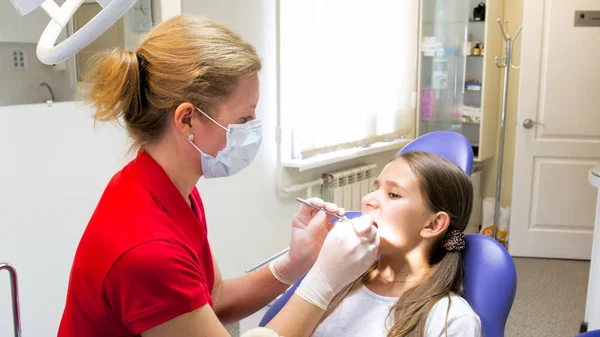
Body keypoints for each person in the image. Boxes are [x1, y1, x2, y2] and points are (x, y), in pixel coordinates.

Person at [56, 15, 379, 337]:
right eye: (245, 116)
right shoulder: (148, 247)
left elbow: (214, 299)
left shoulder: (164, 188)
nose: (254, 126)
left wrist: (296, 262)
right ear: (187, 120)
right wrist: (322, 281)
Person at [310, 151, 482, 337]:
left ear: (433, 224)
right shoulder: (338, 279)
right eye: (375, 189)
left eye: (393, 194)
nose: (367, 200)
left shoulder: (451, 320)